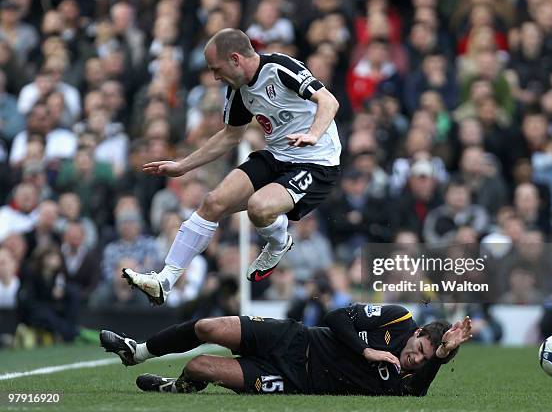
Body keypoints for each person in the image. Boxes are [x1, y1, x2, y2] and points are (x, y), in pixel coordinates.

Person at [122, 28, 341, 305]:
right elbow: (230, 135)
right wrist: (183, 166)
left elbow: (328, 100)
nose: (215, 76)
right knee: (212, 202)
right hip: (277, 155)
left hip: (316, 162)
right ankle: (165, 280)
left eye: (217, 69)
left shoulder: (279, 67)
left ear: (236, 59)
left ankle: (277, 242)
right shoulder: (238, 90)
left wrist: (313, 134)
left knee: (259, 208)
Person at [100, 304, 472, 396]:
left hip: (292, 379)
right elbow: (336, 316)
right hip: (295, 339)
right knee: (207, 327)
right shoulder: (398, 319)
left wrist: (439, 358)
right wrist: (366, 352)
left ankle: (180, 386)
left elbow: (417, 391)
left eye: (426, 358)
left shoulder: (414, 377)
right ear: (419, 331)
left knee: (199, 367)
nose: (416, 358)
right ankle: (138, 351)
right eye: (421, 348)